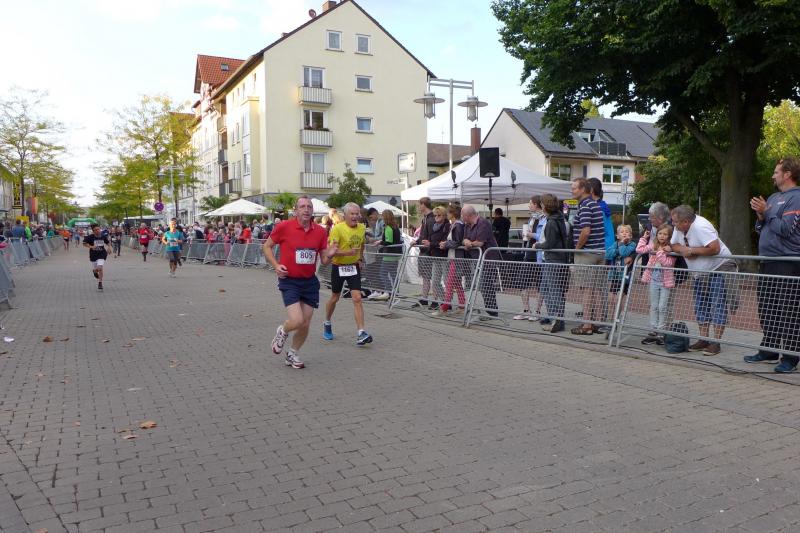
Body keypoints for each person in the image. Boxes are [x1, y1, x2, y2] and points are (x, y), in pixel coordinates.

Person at [264, 196, 338, 369]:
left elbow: (324, 260)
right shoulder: (284, 227)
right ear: (296, 210)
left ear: (312, 211)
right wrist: (276, 266)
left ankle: (292, 354)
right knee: (297, 320)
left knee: (305, 322)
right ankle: (283, 330)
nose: (306, 209)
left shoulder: (320, 231)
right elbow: (266, 246)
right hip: (289, 280)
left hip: (309, 282)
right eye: (302, 206)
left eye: (309, 207)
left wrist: (330, 254)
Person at [745, 157, 800, 372]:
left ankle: (791, 357)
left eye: (776, 172)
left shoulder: (796, 198)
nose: (773, 176)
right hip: (767, 260)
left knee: (788, 310)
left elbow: (786, 230)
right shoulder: (774, 197)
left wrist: (767, 212)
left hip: (787, 262)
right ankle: (769, 350)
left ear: (787, 174)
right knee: (768, 308)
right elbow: (761, 229)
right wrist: (760, 216)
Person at [670, 204, 734, 356]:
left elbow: (715, 248)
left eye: (675, 221)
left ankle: (716, 342)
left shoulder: (701, 227)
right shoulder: (679, 228)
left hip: (719, 267)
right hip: (700, 272)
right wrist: (684, 250)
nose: (673, 224)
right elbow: (673, 244)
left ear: (685, 222)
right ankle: (703, 339)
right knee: (701, 304)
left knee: (717, 304)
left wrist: (692, 251)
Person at [323, 203, 373, 346]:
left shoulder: (361, 228)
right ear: (345, 215)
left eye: (357, 214)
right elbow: (331, 251)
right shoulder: (337, 229)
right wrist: (347, 253)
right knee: (335, 297)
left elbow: (361, 244)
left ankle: (361, 332)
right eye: (352, 214)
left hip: (353, 267)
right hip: (338, 267)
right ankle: (327, 322)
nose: (355, 216)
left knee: (357, 298)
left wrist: (360, 258)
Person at [570, 177, 606, 335]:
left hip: (587, 253)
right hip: (599, 252)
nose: (572, 191)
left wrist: (577, 248)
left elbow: (585, 231)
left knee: (586, 289)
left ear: (583, 189)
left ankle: (587, 325)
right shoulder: (595, 204)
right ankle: (597, 322)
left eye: (574, 188)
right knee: (596, 289)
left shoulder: (585, 206)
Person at [532, 194, 571, 333]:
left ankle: (558, 320)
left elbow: (549, 244)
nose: (541, 206)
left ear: (545, 206)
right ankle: (554, 317)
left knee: (554, 290)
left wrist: (537, 245)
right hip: (553, 259)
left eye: (542, 204)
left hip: (553, 259)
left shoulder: (552, 222)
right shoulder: (557, 218)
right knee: (546, 289)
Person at [636, 223, 676, 344]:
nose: (662, 236)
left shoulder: (671, 249)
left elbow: (667, 263)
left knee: (662, 306)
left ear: (669, 236)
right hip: (653, 281)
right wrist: (644, 238)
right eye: (660, 233)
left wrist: (660, 252)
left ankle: (661, 329)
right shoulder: (653, 245)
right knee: (654, 305)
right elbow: (639, 249)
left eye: (665, 234)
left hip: (665, 283)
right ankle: (653, 329)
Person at [462, 205, 500, 319]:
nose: (462, 217)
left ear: (468, 215)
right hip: (477, 259)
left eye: (463, 215)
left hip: (488, 258)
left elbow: (480, 242)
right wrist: (466, 241)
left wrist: (470, 244)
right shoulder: (467, 225)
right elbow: (464, 238)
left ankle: (492, 312)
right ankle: (490, 311)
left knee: (485, 284)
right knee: (483, 285)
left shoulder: (483, 223)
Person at [515, 195, 545, 321]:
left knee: (540, 284)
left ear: (536, 204)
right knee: (522, 281)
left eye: (530, 203)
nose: (529, 205)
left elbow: (543, 236)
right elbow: (530, 235)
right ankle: (526, 310)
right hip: (529, 252)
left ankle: (537, 312)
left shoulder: (544, 218)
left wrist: (531, 234)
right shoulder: (532, 218)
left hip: (539, 254)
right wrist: (526, 236)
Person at [435, 205, 467, 317]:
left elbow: (457, 242)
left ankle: (444, 307)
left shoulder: (458, 225)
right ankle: (462, 306)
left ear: (452, 214)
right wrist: (446, 243)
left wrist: (446, 244)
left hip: (456, 258)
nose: (447, 214)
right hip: (453, 257)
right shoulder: (455, 225)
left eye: (448, 213)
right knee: (457, 283)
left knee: (449, 283)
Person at [424, 206, 450, 309]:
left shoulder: (447, 226)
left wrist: (430, 243)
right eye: (435, 215)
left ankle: (447, 302)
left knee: (447, 281)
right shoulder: (434, 226)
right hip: (435, 256)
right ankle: (444, 301)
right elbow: (429, 238)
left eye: (439, 215)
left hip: (444, 256)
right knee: (435, 281)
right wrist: (417, 241)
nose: (436, 217)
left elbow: (444, 241)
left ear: (444, 216)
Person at [375, 210, 402, 301]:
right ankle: (396, 292)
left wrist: (380, 242)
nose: (381, 218)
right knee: (393, 274)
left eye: (382, 216)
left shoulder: (388, 228)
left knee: (383, 273)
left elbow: (388, 242)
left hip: (389, 255)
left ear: (385, 217)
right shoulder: (395, 227)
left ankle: (389, 291)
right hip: (396, 254)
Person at [415, 197, 436, 309]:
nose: (419, 207)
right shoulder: (426, 218)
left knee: (432, 277)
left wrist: (428, 244)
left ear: (424, 204)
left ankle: (434, 300)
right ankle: (424, 298)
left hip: (428, 252)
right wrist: (417, 241)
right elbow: (423, 235)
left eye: (420, 204)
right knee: (426, 277)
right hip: (424, 250)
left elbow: (431, 235)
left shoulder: (431, 218)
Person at [83, 223, 110, 291]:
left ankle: (100, 282)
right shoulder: (90, 237)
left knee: (100, 267)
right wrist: (91, 246)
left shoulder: (103, 236)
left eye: (98, 229)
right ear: (93, 231)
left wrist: (109, 247)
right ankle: (94, 271)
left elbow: (108, 242)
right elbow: (84, 243)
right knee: (97, 268)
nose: (98, 231)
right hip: (93, 255)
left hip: (102, 253)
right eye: (96, 230)